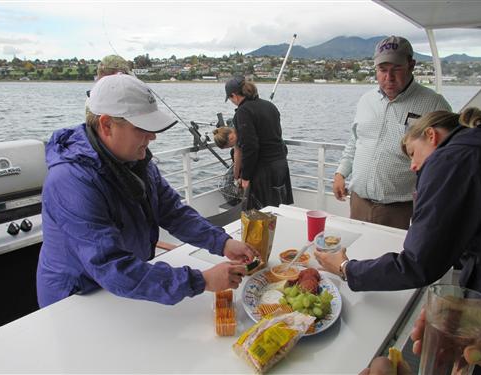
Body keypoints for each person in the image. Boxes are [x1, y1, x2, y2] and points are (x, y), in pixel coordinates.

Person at [37, 74, 257, 308]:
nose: (152, 137)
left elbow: (173, 212)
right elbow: (110, 266)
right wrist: (200, 280)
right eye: (142, 128)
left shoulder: (136, 161)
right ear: (106, 124)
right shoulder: (71, 180)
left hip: (124, 286)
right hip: (77, 296)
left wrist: (223, 243)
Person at [315, 107, 481, 296]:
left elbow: (418, 264)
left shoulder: (449, 161)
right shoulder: (476, 146)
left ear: (431, 135)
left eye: (413, 153)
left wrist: (345, 268)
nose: (413, 166)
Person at [333, 35, 451, 230]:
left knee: (391, 258)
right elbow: (355, 141)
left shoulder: (434, 104)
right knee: (356, 254)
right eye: (382, 70)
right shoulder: (366, 100)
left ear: (411, 65)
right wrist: (341, 173)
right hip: (358, 201)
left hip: (399, 209)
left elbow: (446, 158)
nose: (389, 77)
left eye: (396, 69)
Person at [224, 76, 294, 209]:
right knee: (279, 209)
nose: (232, 102)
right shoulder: (270, 106)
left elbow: (250, 147)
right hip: (280, 165)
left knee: (260, 213)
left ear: (234, 95)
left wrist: (245, 177)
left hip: (264, 170)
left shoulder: (243, 112)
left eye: (231, 99)